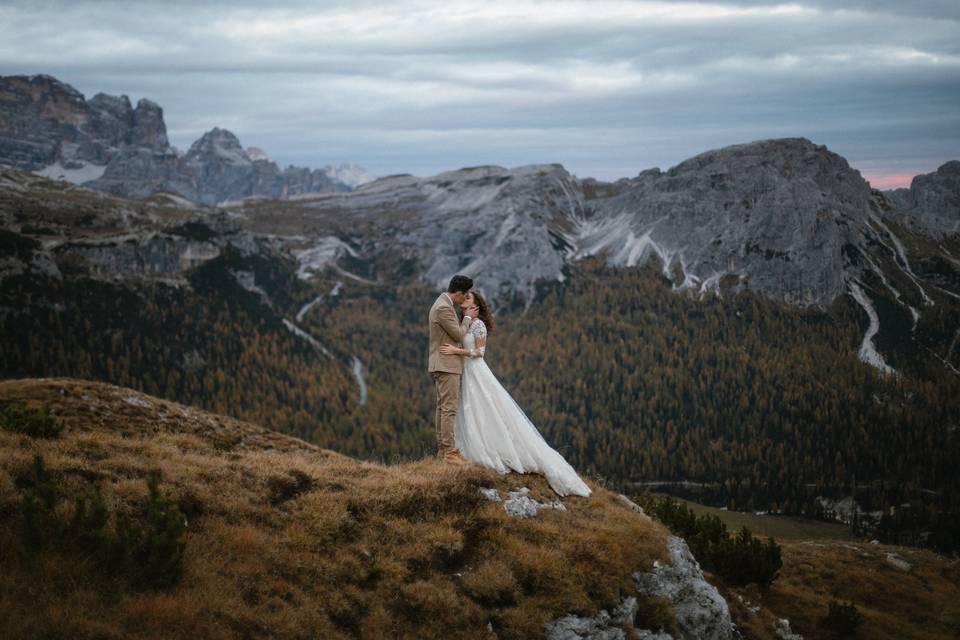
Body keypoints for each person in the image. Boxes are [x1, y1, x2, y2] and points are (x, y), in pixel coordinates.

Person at [440, 291, 592, 497]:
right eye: (463, 298)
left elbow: (479, 353)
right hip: (465, 373)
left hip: (476, 371)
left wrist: (457, 352)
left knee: (483, 409)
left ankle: (490, 449)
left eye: (468, 299)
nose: (464, 301)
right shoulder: (465, 322)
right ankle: (462, 450)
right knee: (466, 410)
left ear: (475, 305)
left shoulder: (478, 325)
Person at [427, 274, 474, 463]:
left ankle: (443, 449)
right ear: (459, 293)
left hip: (442, 363)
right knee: (449, 409)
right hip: (447, 364)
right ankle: (449, 452)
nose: (466, 298)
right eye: (466, 295)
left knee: (442, 407)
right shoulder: (444, 308)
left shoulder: (442, 303)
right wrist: (468, 318)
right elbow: (458, 334)